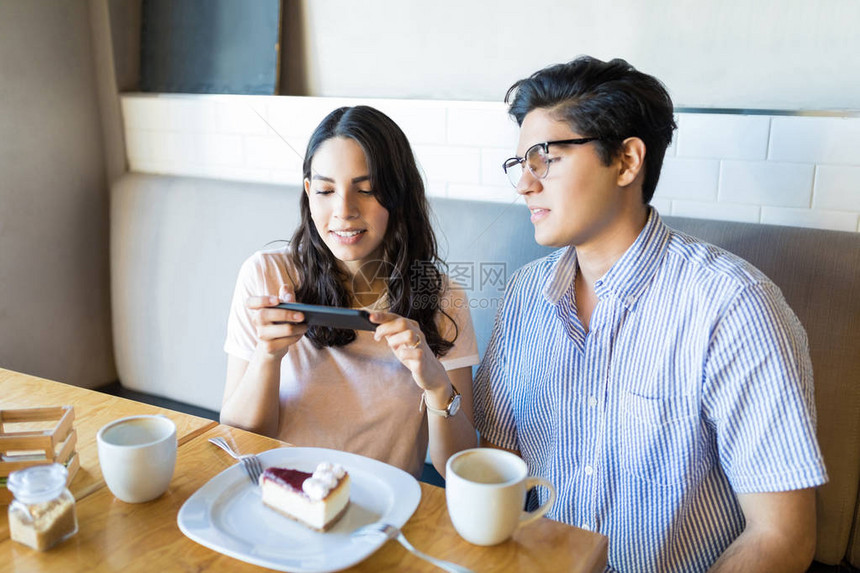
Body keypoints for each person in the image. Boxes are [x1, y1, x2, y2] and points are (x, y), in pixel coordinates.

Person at [473, 56, 827, 573]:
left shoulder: (732, 306)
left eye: (543, 158)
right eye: (520, 164)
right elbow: (499, 465)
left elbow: (782, 536)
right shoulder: (526, 294)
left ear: (626, 161)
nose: (524, 184)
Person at [221, 105, 479, 478]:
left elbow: (458, 465)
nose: (343, 210)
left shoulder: (440, 297)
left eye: (367, 190)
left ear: (397, 195)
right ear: (309, 193)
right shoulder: (266, 274)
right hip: (281, 497)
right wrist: (267, 356)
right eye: (326, 190)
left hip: (383, 510)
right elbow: (240, 439)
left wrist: (437, 384)